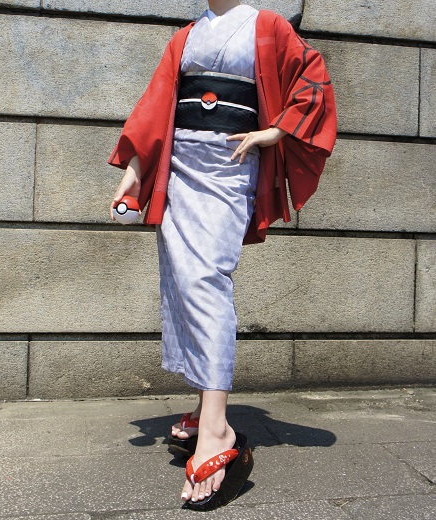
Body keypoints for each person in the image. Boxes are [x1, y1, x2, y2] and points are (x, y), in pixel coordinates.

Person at [109, 0, 337, 511]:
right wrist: (134, 175)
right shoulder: (186, 36)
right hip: (179, 168)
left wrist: (276, 131)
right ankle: (204, 408)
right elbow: (156, 107)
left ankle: (218, 432)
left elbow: (313, 80)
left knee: (204, 281)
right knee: (181, 282)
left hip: (229, 168)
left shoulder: (267, 25)